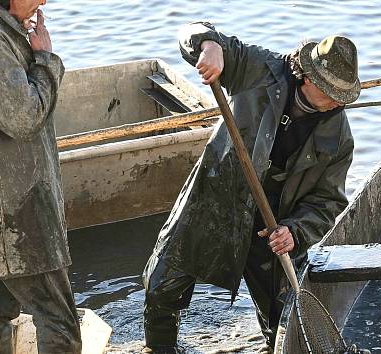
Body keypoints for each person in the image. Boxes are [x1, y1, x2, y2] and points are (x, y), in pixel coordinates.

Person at [142, 21, 359, 354]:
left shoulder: (338, 136)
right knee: (161, 287)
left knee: (282, 316)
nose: (336, 102)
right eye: (330, 92)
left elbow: (328, 202)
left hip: (274, 225)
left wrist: (296, 231)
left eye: (342, 96)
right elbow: (193, 32)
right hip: (217, 200)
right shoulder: (262, 70)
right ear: (308, 76)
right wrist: (209, 45)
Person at [0, 0, 82, 353]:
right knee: (58, 319)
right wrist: (46, 60)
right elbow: (24, 116)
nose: (44, 1)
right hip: (16, 214)